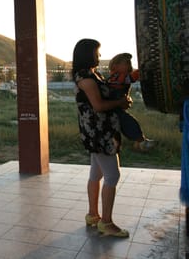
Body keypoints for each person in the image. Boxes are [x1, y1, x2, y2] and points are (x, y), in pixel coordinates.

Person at [72, 38, 131, 238]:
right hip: (100, 134)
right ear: (88, 54)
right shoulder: (86, 79)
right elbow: (98, 106)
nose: (99, 56)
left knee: (96, 175)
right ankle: (106, 222)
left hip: (97, 132)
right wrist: (120, 103)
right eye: (97, 52)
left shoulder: (91, 75)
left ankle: (92, 214)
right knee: (112, 176)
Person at [107, 53, 155, 152]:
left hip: (116, 105)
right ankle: (140, 140)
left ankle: (138, 141)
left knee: (124, 123)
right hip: (115, 105)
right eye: (126, 63)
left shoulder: (114, 76)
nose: (129, 66)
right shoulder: (119, 77)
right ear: (115, 66)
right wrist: (142, 69)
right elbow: (132, 78)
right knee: (129, 122)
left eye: (129, 63)